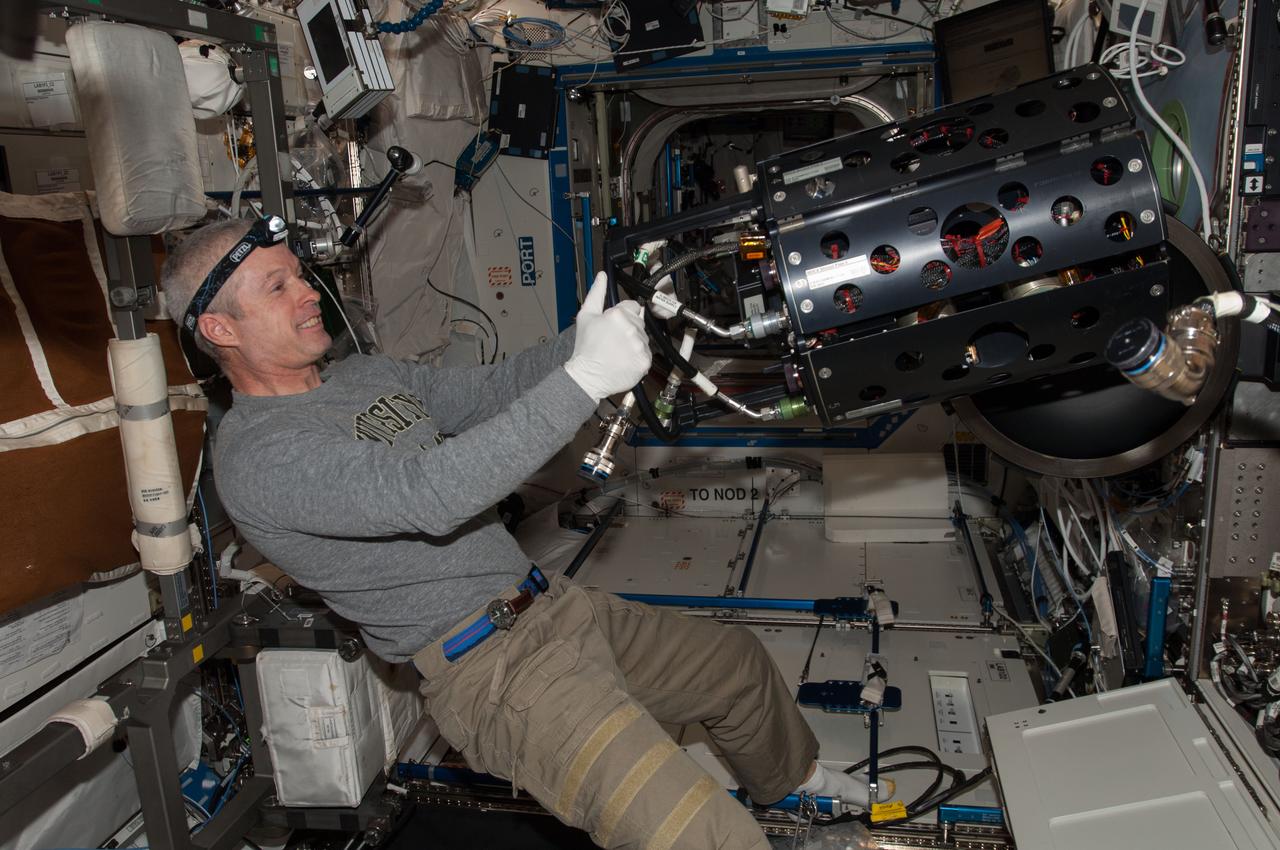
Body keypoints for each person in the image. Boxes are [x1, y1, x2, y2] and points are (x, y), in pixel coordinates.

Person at [164, 217, 886, 849]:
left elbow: (486, 393)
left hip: (551, 607)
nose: (308, 294)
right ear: (221, 330)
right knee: (707, 838)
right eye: (277, 288)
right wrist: (584, 380)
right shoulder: (261, 458)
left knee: (733, 666)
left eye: (299, 277)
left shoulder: (354, 378)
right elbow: (432, 494)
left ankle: (794, 777)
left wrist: (608, 333)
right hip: (496, 676)